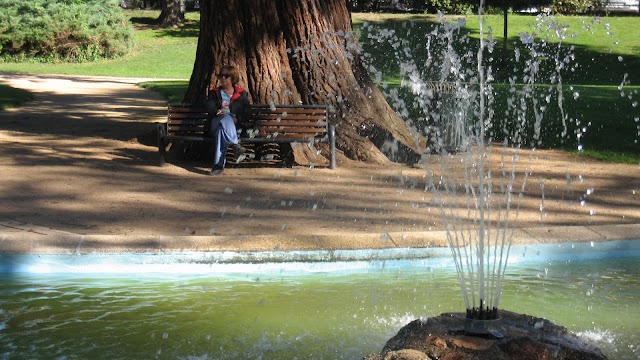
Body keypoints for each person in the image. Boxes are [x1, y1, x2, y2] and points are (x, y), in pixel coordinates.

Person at [206, 65, 251, 175]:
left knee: (221, 131)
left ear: (233, 78)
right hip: (216, 122)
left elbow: (247, 111)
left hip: (234, 126)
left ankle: (218, 166)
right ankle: (234, 144)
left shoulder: (241, 94)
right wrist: (217, 112)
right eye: (221, 76)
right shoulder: (214, 92)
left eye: (226, 76)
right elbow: (210, 107)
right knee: (225, 117)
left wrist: (237, 118)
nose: (223, 79)